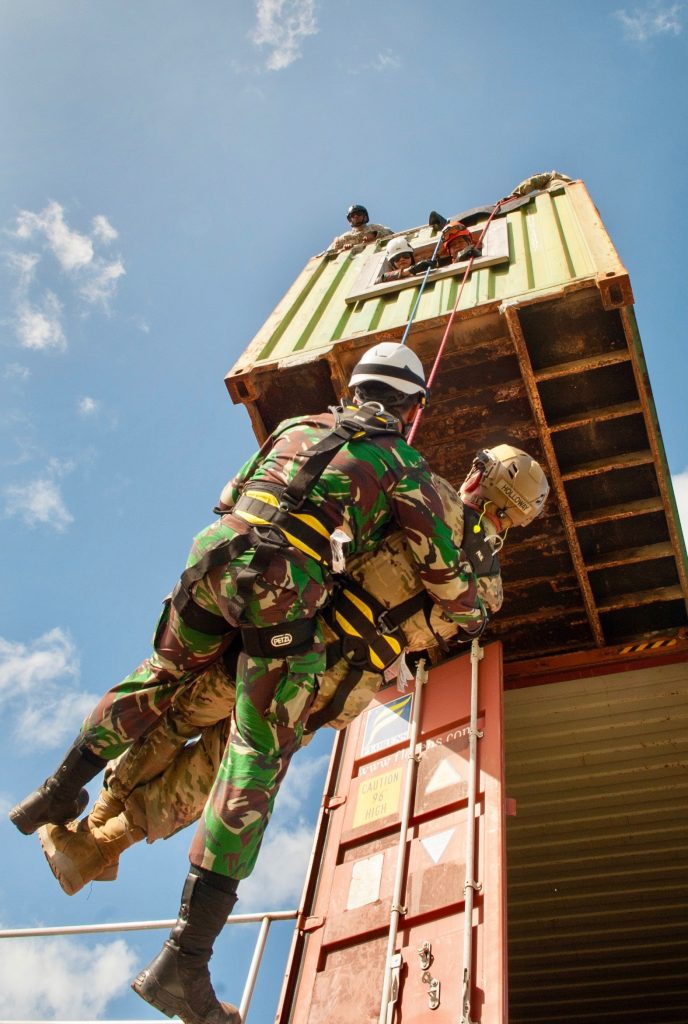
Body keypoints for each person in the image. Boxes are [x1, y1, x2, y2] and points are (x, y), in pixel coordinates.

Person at [10, 341, 489, 1024]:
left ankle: (54, 794)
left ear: (357, 389)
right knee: (255, 757)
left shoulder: (298, 427)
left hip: (214, 556)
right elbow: (447, 579)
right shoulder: (403, 465)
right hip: (281, 587)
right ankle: (185, 961)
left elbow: (232, 496)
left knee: (159, 677)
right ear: (410, 408)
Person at [37, 448, 549, 897]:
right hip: (338, 687)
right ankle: (101, 848)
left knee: (183, 715)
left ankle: (94, 824)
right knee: (222, 764)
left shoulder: (426, 492)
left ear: (486, 480)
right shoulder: (490, 593)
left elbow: (344, 537)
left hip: (290, 643)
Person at [327, 203, 393, 254]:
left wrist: (375, 235)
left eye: (359, 214)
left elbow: (393, 237)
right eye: (352, 215)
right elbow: (329, 253)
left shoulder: (375, 227)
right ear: (350, 220)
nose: (356, 216)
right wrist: (344, 250)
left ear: (365, 217)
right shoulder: (344, 238)